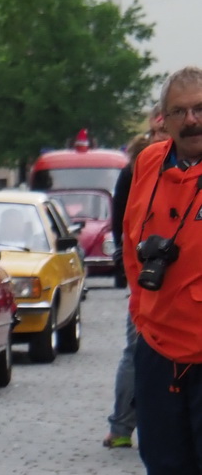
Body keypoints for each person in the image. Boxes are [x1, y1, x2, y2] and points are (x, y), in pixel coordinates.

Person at [124, 68, 202, 475]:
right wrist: (139, 310)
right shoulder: (150, 163)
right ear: (165, 119)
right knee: (166, 469)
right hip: (157, 343)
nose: (192, 120)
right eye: (181, 112)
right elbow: (131, 244)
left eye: (200, 108)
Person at [107, 127, 161, 448]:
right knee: (138, 349)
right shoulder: (140, 170)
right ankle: (124, 426)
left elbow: (120, 225)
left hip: (143, 270)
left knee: (136, 349)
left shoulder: (133, 170)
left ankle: (122, 427)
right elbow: (122, 224)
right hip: (148, 272)